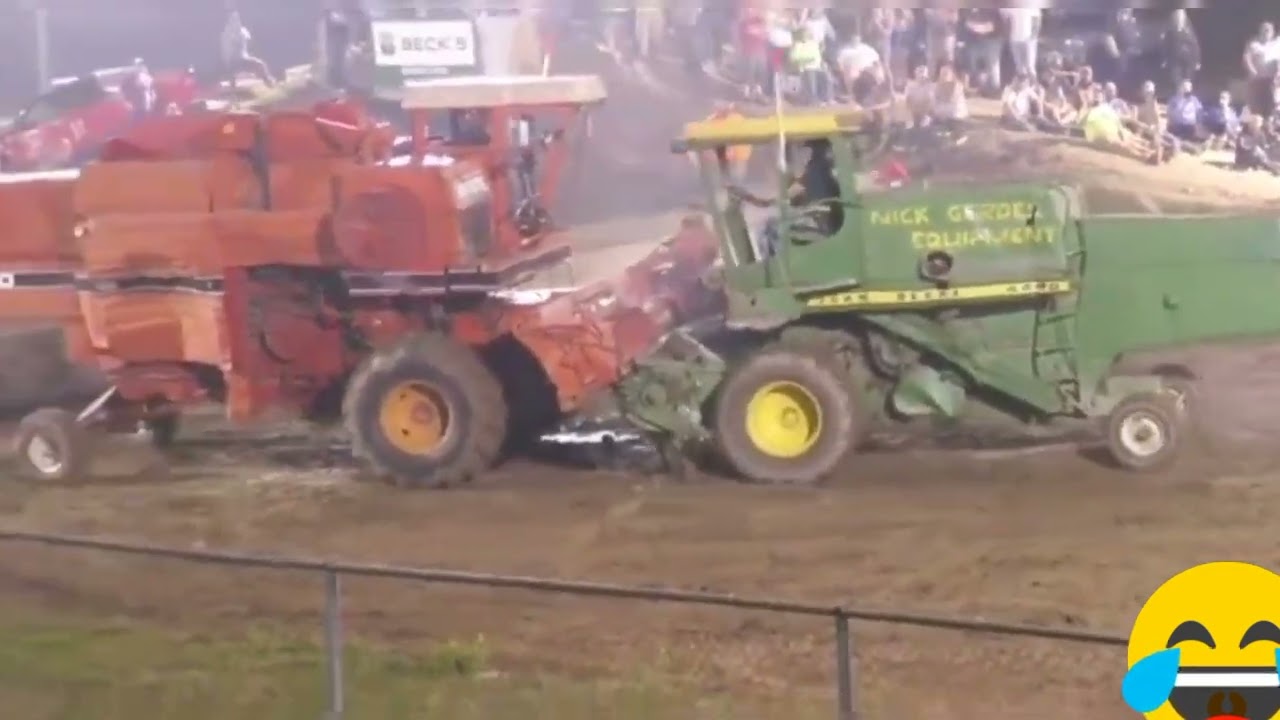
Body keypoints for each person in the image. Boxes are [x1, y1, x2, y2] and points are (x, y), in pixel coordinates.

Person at [220, 10, 275, 89]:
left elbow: (250, 44)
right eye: (233, 19)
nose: (236, 21)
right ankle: (233, 91)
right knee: (232, 75)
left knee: (260, 64)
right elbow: (225, 52)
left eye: (237, 19)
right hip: (232, 61)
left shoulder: (243, 31)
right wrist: (227, 65)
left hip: (243, 58)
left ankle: (269, 84)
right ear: (229, 21)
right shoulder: (226, 34)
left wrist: (251, 57)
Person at [961, 7, 1003, 95]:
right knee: (974, 65)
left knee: (992, 66)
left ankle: (995, 90)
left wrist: (979, 28)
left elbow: (995, 25)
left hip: (993, 39)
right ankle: (980, 89)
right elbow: (965, 22)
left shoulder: (993, 8)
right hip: (974, 40)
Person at [1244, 22, 1280, 118]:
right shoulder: (1253, 44)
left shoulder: (1277, 44)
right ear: (1260, 31)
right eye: (1264, 30)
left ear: (1272, 32)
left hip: (1271, 81)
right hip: (1257, 80)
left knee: (1271, 106)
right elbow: (1247, 58)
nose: (1266, 33)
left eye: (1268, 30)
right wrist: (1252, 70)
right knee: (1256, 108)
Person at [1161, 10, 1201, 90]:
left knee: (1188, 81)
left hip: (1188, 60)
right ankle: (1179, 95)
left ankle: (1187, 97)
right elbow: (1165, 46)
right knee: (1177, 80)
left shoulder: (1189, 31)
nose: (1179, 20)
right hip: (1175, 59)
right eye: (1178, 18)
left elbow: (1195, 46)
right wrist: (1164, 59)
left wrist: (1197, 60)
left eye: (1181, 18)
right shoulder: (1170, 32)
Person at [790, 26, 829, 105]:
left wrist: (822, 63)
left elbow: (817, 55)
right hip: (807, 68)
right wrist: (808, 59)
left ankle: (823, 99)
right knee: (811, 86)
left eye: (807, 33)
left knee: (826, 81)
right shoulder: (798, 45)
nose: (806, 35)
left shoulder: (813, 43)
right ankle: (812, 101)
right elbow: (794, 57)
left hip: (817, 67)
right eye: (804, 34)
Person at [836, 33, 880, 102]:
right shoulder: (845, 50)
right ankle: (852, 95)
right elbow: (840, 63)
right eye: (853, 39)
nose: (855, 41)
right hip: (853, 69)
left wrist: (877, 68)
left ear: (860, 39)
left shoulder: (867, 48)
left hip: (866, 69)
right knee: (850, 73)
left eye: (857, 39)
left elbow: (876, 60)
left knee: (875, 73)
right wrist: (842, 70)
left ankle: (872, 95)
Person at [1001, 6, 1041, 79]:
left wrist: (1034, 36)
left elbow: (1037, 18)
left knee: (1030, 68)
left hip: (1028, 39)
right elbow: (1004, 19)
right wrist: (1007, 36)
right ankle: (1023, 88)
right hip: (1014, 39)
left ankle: (1035, 87)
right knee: (1020, 68)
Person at [1166, 79, 1205, 148]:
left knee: (1185, 138)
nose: (1186, 89)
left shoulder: (1194, 100)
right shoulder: (1174, 100)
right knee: (1175, 138)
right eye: (1184, 87)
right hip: (1176, 126)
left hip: (1189, 126)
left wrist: (1198, 125)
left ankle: (1185, 144)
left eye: (1188, 88)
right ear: (1180, 88)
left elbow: (1199, 113)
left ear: (1191, 89)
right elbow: (1169, 113)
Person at [932, 63, 968, 133]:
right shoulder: (936, 86)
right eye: (942, 73)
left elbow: (950, 99)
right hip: (941, 117)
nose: (943, 76)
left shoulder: (957, 86)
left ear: (952, 75)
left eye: (946, 74)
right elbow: (934, 104)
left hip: (956, 117)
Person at [904, 64, 935, 128]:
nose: (922, 77)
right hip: (913, 113)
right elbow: (907, 102)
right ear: (916, 75)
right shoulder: (910, 86)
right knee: (909, 124)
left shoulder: (930, 86)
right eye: (920, 74)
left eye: (923, 76)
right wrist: (909, 117)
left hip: (925, 113)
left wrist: (926, 115)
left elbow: (930, 103)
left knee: (926, 122)